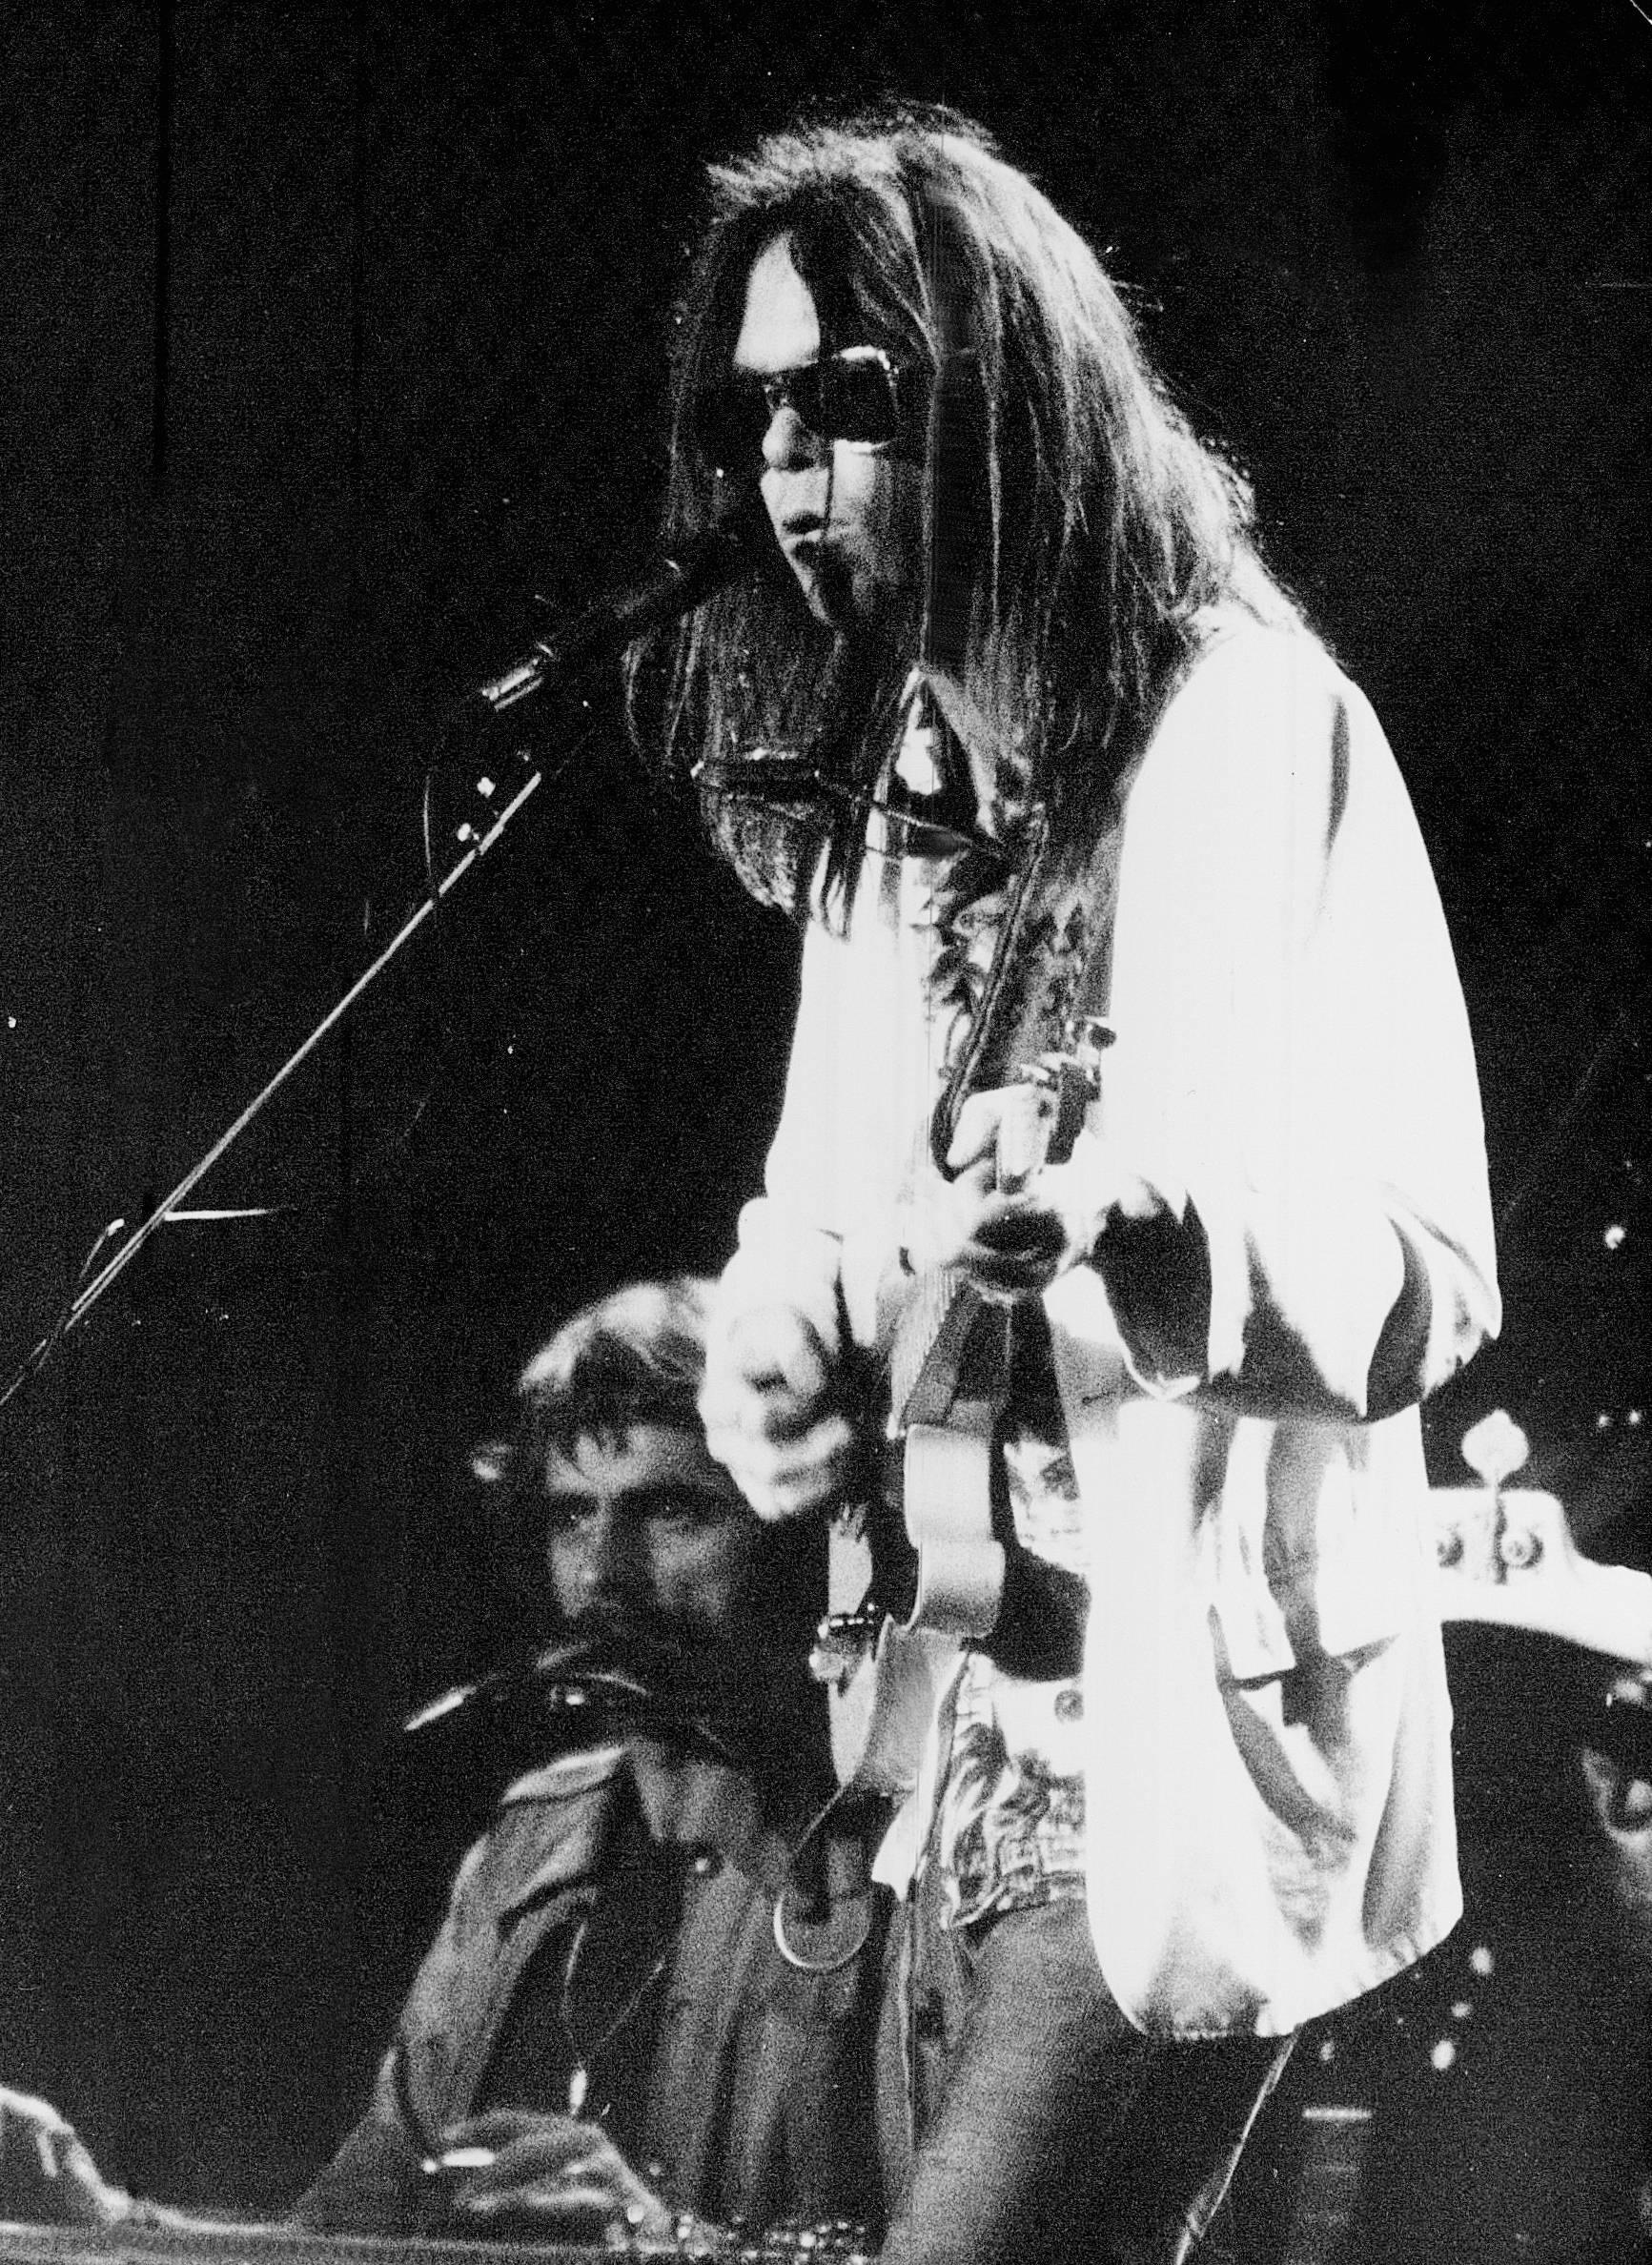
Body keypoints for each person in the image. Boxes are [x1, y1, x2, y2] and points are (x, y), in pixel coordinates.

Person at [628, 106, 1502, 2262]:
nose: (788, 477)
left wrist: (1145, 1237)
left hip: (1182, 1738)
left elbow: (1427, 1271)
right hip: (931, 1728)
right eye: (755, 421)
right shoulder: (879, 809)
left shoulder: (1247, 732)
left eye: (850, 408)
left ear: (1008, 412)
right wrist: (775, 1360)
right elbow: (800, 1234)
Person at [0, 1279, 887, 2253]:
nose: (600, 1575)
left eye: (671, 1512)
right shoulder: (528, 1846)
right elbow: (348, 2238)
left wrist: (668, 2245)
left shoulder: (900, 1852)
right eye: (570, 1517)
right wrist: (100, 2219)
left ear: (808, 1532)